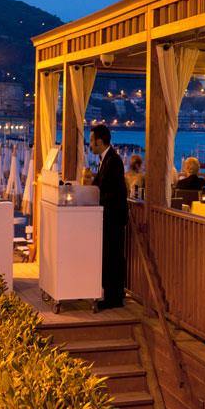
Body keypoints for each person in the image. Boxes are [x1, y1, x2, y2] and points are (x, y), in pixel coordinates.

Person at [89, 124, 128, 310]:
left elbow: (111, 191)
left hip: (114, 217)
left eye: (91, 141)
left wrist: (94, 198)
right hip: (108, 217)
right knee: (109, 256)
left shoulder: (113, 161)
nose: (90, 145)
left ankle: (114, 298)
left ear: (99, 141)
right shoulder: (106, 159)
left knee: (113, 257)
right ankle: (111, 294)